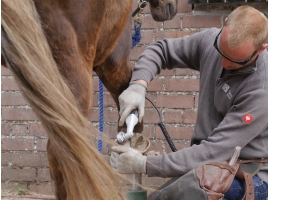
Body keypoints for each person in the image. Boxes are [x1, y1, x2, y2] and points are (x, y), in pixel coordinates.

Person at [110, 5, 268, 200]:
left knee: (182, 193)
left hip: (250, 174)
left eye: (236, 63)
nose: (223, 64)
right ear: (225, 23)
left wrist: (144, 164)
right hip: (208, 167)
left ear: (261, 50)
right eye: (221, 52)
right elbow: (162, 50)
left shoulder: (262, 89)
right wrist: (138, 85)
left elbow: (214, 152)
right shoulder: (210, 40)